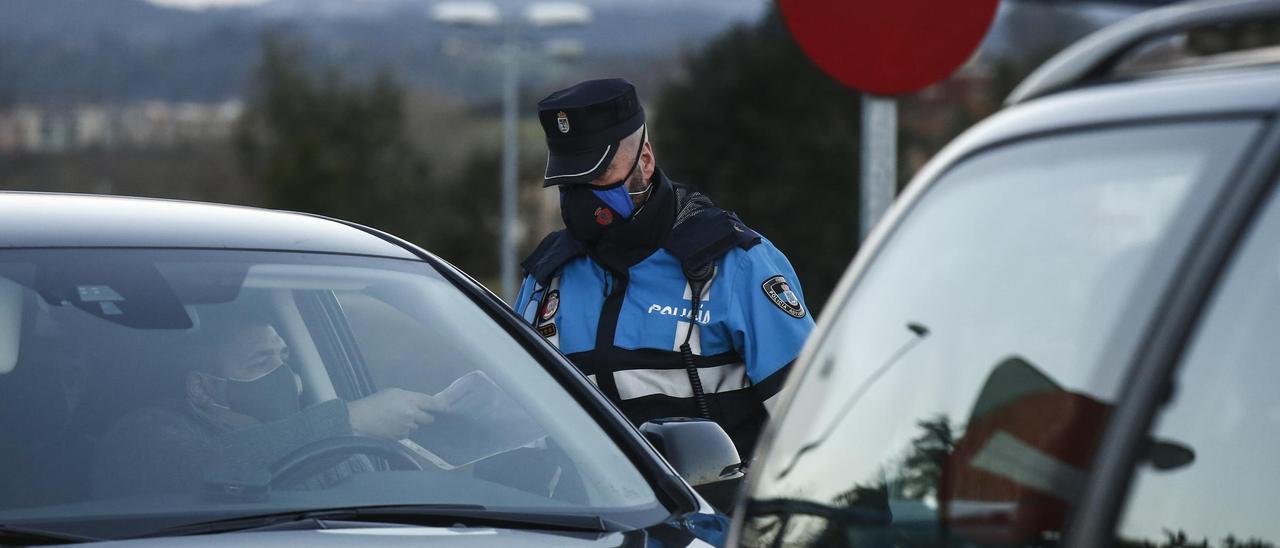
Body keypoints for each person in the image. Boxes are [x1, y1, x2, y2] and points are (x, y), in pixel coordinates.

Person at [515, 78, 815, 461]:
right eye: (570, 181)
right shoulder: (547, 276)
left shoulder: (734, 264)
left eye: (598, 175)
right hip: (592, 500)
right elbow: (507, 406)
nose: (583, 194)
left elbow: (815, 424)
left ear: (645, 160)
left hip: (717, 500)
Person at [92, 318, 445, 498]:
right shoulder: (143, 436)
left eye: (284, 357)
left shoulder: (317, 436)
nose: (285, 374)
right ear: (202, 388)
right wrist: (352, 418)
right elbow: (206, 469)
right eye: (261, 362)